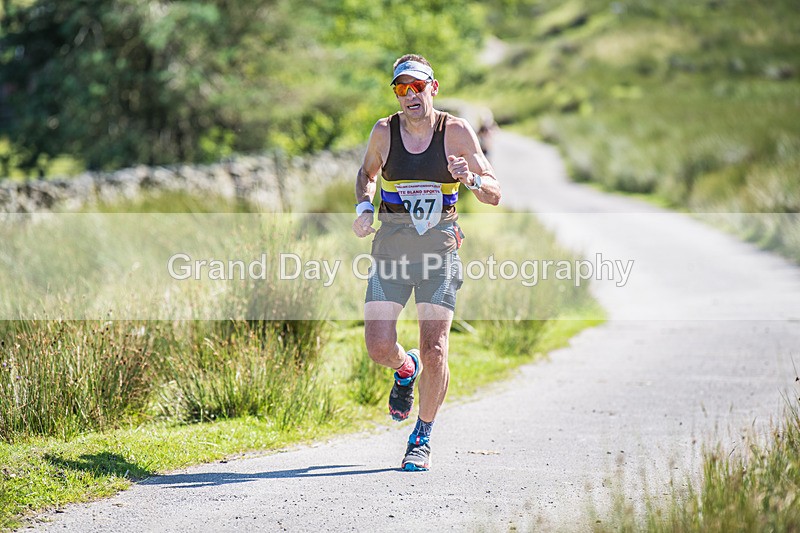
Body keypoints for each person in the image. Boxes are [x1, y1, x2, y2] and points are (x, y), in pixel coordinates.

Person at [352, 54, 501, 471]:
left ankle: (422, 435)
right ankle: (406, 368)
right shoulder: (384, 131)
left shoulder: (456, 132)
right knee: (378, 346)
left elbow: (494, 193)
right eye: (402, 88)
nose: (410, 94)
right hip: (391, 253)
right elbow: (366, 174)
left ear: (432, 87)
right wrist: (364, 206)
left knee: (435, 348)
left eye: (417, 86)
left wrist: (469, 178)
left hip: (440, 253)